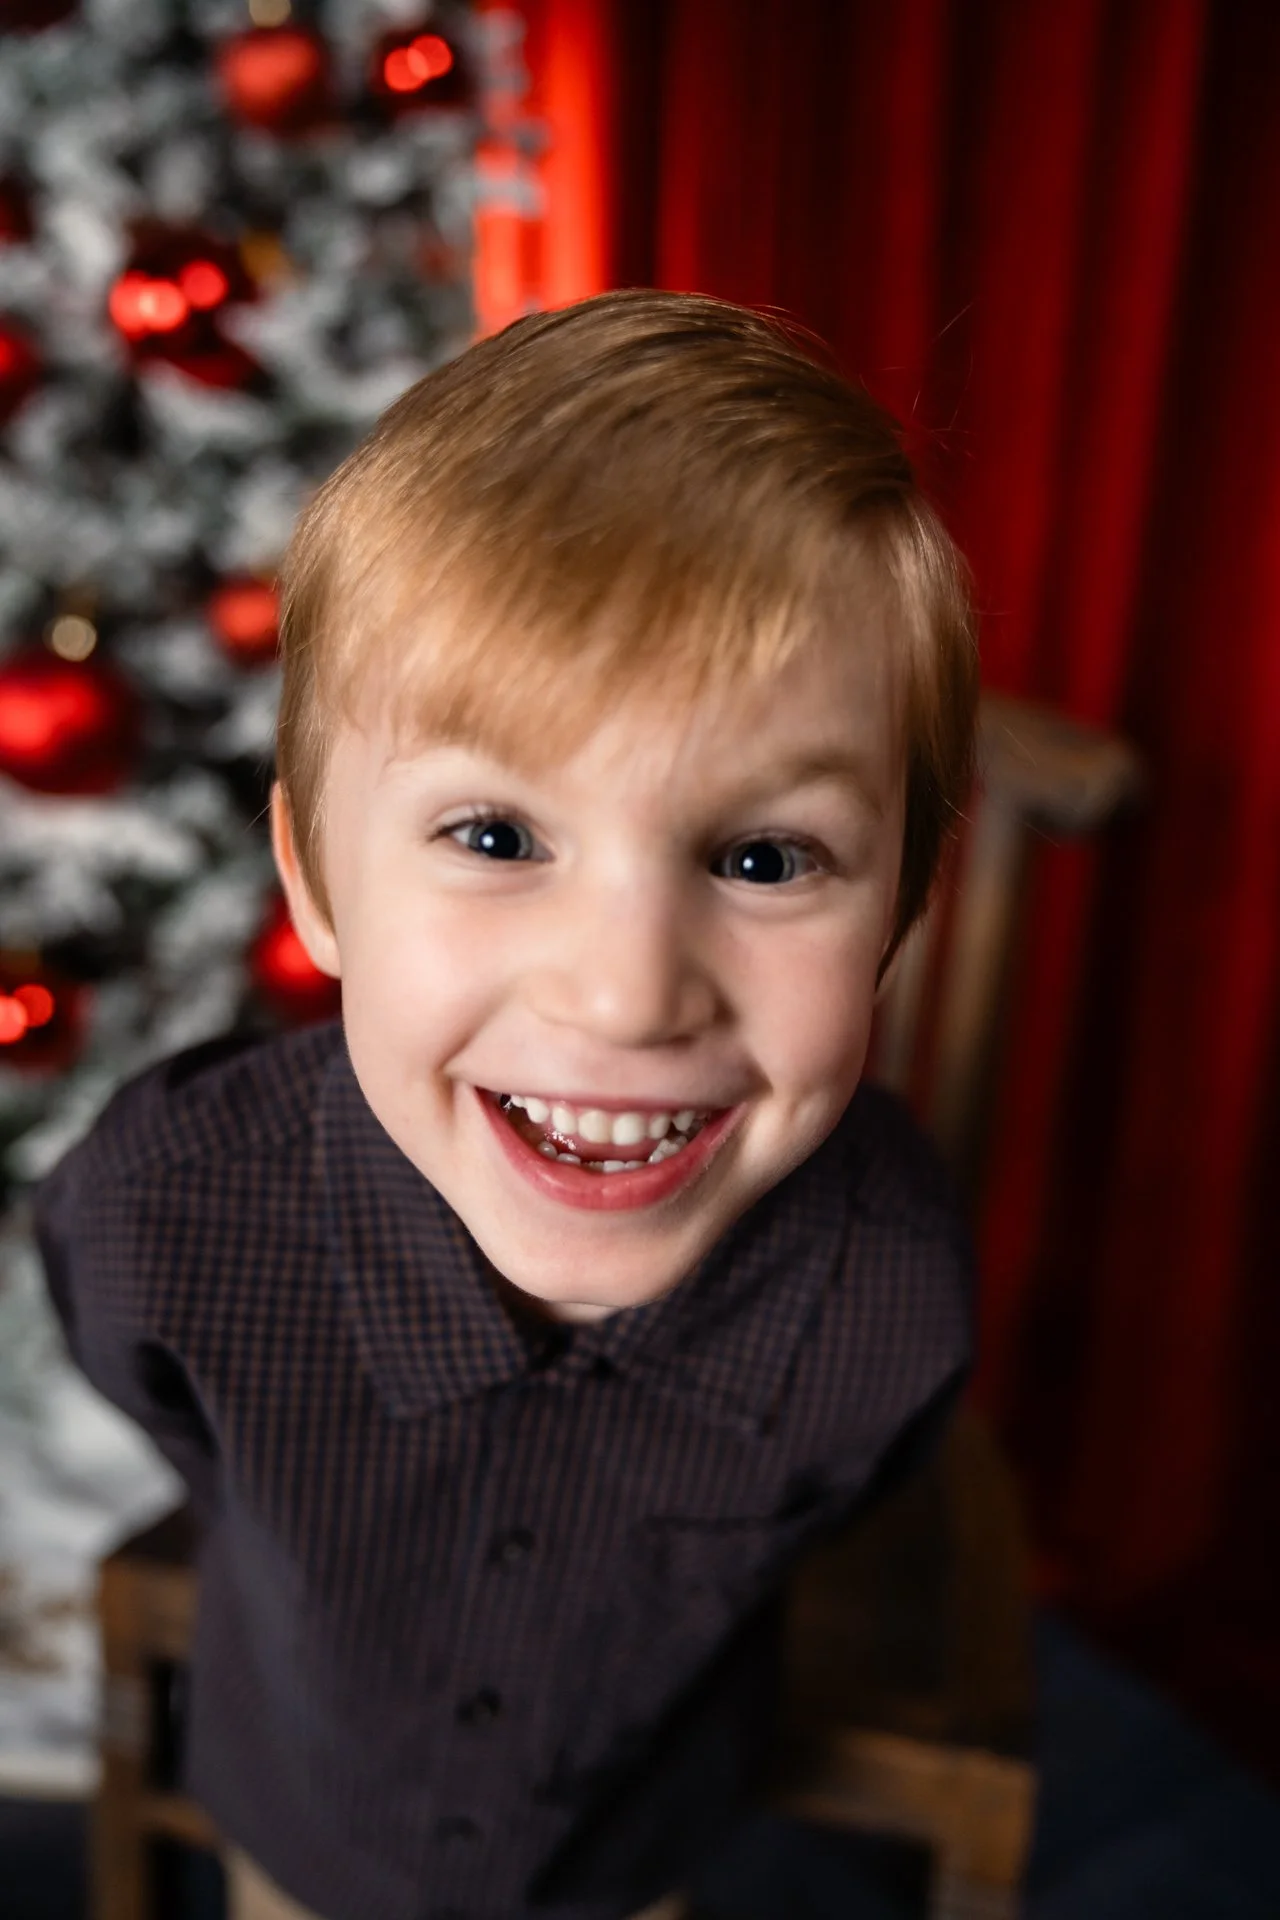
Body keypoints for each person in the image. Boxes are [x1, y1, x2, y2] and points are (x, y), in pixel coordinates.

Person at [35, 290, 979, 1920]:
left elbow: (849, 1488)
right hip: (304, 1812)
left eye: (763, 859)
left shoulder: (892, 1286)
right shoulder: (167, 1208)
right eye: (496, 837)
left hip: (633, 1829)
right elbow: (170, 1405)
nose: (624, 993)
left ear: (894, 920)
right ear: (315, 881)